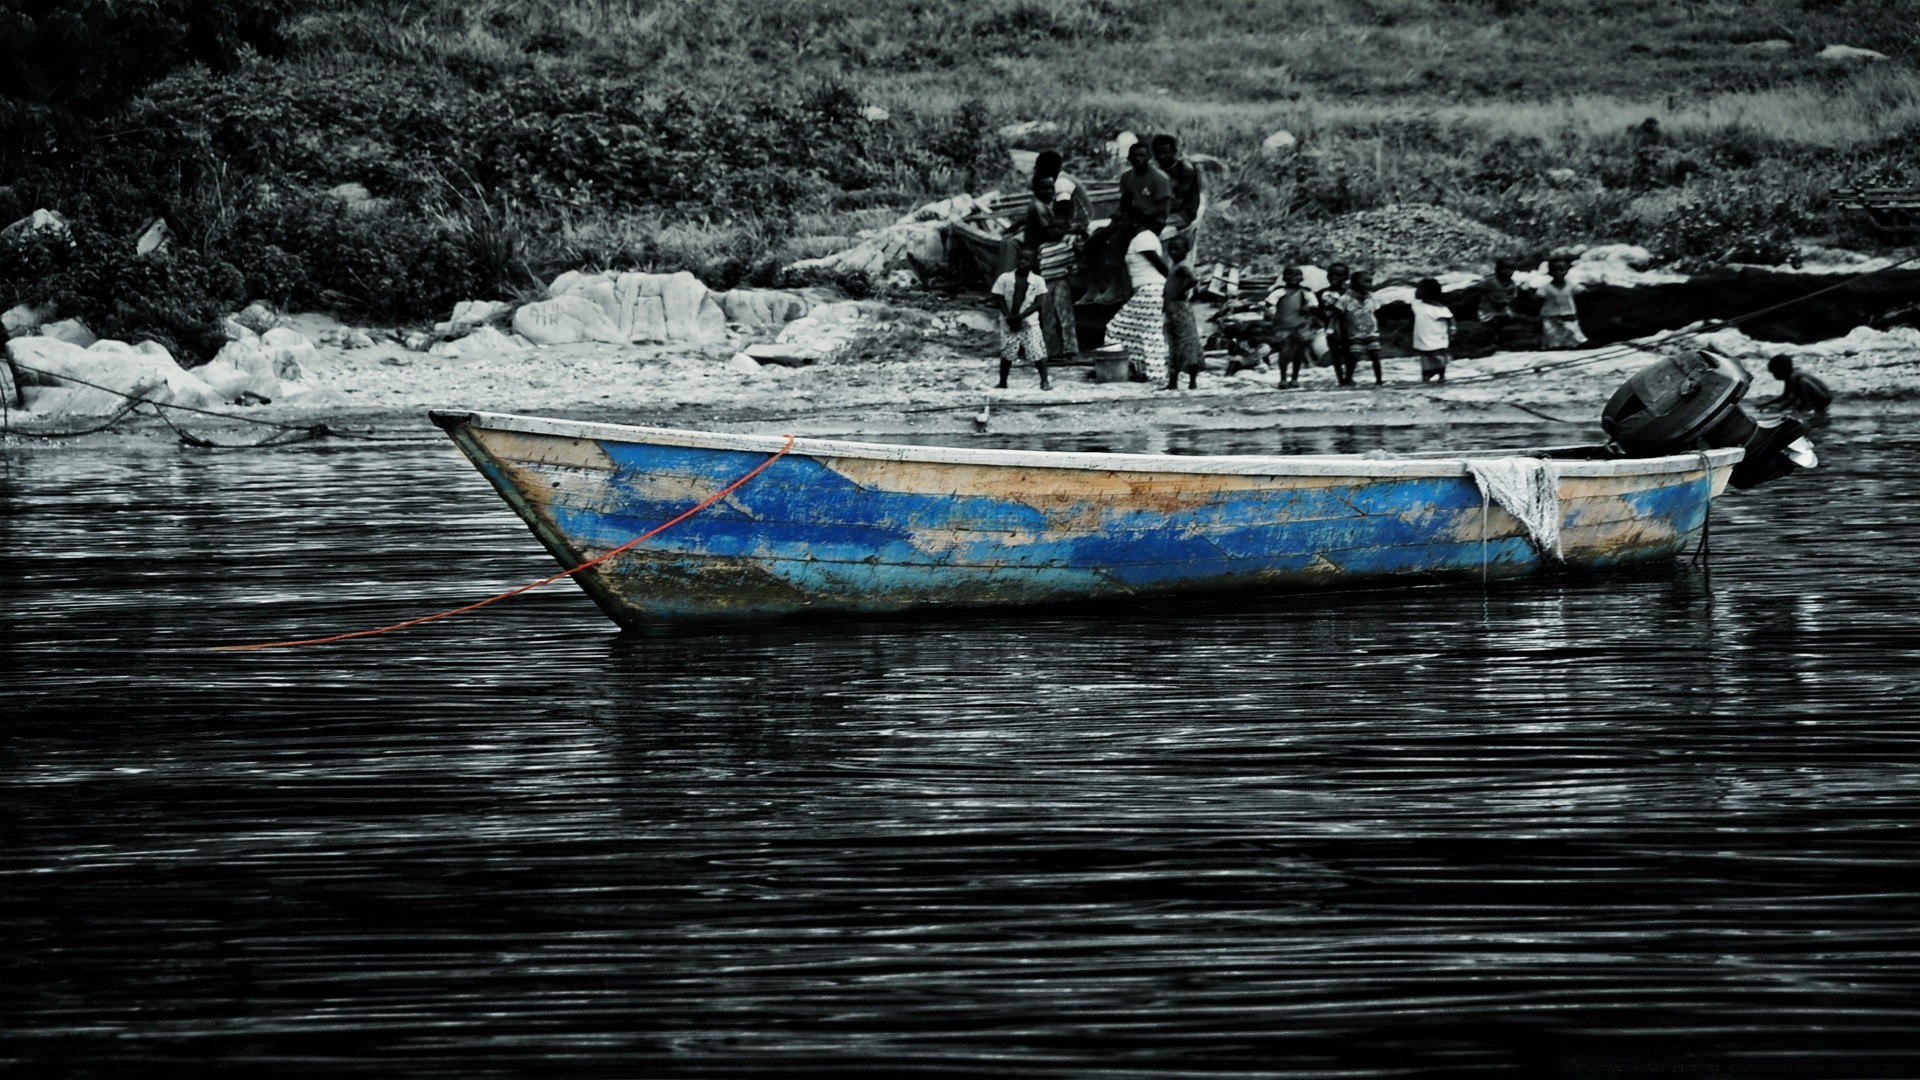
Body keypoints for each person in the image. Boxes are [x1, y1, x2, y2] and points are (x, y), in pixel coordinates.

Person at [1022, 169, 1081, 366]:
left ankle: (1071, 349)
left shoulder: (1066, 244)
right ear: (1034, 189)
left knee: (1065, 316)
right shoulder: (1043, 246)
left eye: (1050, 188)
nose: (1048, 192)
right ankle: (1053, 350)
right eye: (1043, 188)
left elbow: (1075, 260)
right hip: (1046, 284)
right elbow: (1038, 264)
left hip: (1061, 283)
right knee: (1047, 317)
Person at [1104, 221, 1172, 383]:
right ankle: (1142, 369)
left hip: (1151, 289)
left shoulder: (1144, 238)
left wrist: (1171, 284)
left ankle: (1155, 372)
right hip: (1147, 290)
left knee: (1143, 332)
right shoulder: (1139, 239)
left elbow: (1160, 265)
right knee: (1132, 330)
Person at [991, 246, 1052, 390]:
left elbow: (1039, 303)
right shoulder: (1005, 278)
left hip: (1029, 323)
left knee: (1037, 352)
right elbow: (998, 298)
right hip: (1008, 323)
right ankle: (1003, 382)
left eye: (1027, 259)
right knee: (1007, 353)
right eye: (1020, 259)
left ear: (1033, 262)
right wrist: (1008, 317)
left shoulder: (1038, 281)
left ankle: (1044, 381)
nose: (1022, 262)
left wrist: (1020, 317)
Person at [1161, 234, 1205, 390]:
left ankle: (1189, 380)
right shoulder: (1176, 266)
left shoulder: (1182, 266)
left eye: (1177, 249)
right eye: (1170, 249)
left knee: (1184, 343)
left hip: (1179, 309)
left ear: (1186, 250)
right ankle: (1175, 381)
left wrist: (1179, 292)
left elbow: (1193, 280)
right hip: (1174, 309)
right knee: (1177, 344)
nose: (1173, 252)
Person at [1264, 266, 1318, 388]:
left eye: (1297, 275)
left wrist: (1308, 308)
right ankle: (1283, 378)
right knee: (1284, 352)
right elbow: (1267, 304)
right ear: (1284, 278)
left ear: (1302, 278)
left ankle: (1294, 378)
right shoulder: (1279, 292)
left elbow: (1314, 305)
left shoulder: (1306, 293)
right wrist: (1269, 315)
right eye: (1290, 275)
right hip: (1282, 327)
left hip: (1300, 327)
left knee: (1298, 353)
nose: (1294, 278)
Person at [1332, 269, 1383, 386]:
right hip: (1354, 333)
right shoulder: (1345, 299)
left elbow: (1376, 312)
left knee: (1375, 354)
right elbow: (1337, 316)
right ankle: (1348, 378)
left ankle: (1379, 380)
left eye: (1370, 282)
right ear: (1353, 283)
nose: (1369, 285)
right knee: (1354, 356)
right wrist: (1336, 330)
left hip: (1371, 332)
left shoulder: (1372, 297)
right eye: (1365, 282)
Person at [1115, 141, 1171, 234]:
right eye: (1134, 156)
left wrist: (1143, 214)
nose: (1138, 158)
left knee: (1133, 237)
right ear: (1129, 158)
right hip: (1134, 219)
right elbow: (1125, 202)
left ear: (1148, 157)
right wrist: (1120, 215)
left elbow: (1163, 209)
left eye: (1141, 155)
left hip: (1154, 221)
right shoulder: (1126, 177)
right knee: (1100, 236)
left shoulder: (1160, 178)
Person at [1151, 134, 1203, 232]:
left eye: (1166, 153)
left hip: (1183, 214)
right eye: (1158, 153)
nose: (1161, 157)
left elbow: (1177, 202)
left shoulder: (1184, 168)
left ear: (1174, 152)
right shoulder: (1157, 170)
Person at [1537, 258, 1587, 349]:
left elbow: (1584, 291)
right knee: (1555, 343)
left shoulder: (1571, 285)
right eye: (1555, 270)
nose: (1558, 273)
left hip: (1570, 319)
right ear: (1550, 272)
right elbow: (1538, 299)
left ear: (1567, 271)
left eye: (1561, 270)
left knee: (1576, 341)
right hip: (1553, 320)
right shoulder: (1546, 288)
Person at [1412, 278, 1454, 383]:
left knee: (1438, 356)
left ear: (1425, 293)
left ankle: (1441, 376)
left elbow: (1450, 319)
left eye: (1418, 289)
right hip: (1424, 338)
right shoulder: (1417, 305)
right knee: (1425, 357)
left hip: (1437, 337)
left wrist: (1452, 330)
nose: (1415, 292)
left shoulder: (1440, 309)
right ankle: (1428, 376)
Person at [1759, 353, 1832, 414]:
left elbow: (1794, 397)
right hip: (1819, 399)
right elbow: (1785, 396)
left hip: (1825, 398)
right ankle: (1806, 407)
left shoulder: (1793, 376)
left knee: (1802, 382)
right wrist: (1766, 404)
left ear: (1782, 370)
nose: (1774, 376)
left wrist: (1779, 409)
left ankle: (1806, 410)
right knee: (1795, 402)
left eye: (1774, 373)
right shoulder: (1788, 377)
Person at [1318, 263, 1352, 386]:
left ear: (1346, 277)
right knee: (1335, 353)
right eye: (1331, 275)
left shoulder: (1349, 293)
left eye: (1339, 275)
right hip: (1331, 328)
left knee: (1349, 352)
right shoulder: (1321, 293)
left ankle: (1348, 377)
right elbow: (1318, 310)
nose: (1334, 277)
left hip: (1349, 327)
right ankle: (1340, 378)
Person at [1477, 258, 1521, 348]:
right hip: (1488, 310)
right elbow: (1476, 288)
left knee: (1511, 322)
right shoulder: (1491, 282)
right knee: (1491, 325)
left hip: (1503, 309)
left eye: (1511, 269)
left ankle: (1504, 342)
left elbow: (1513, 296)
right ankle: (1489, 343)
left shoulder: (1512, 284)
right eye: (1504, 269)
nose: (1508, 272)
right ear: (1497, 269)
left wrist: (1508, 302)